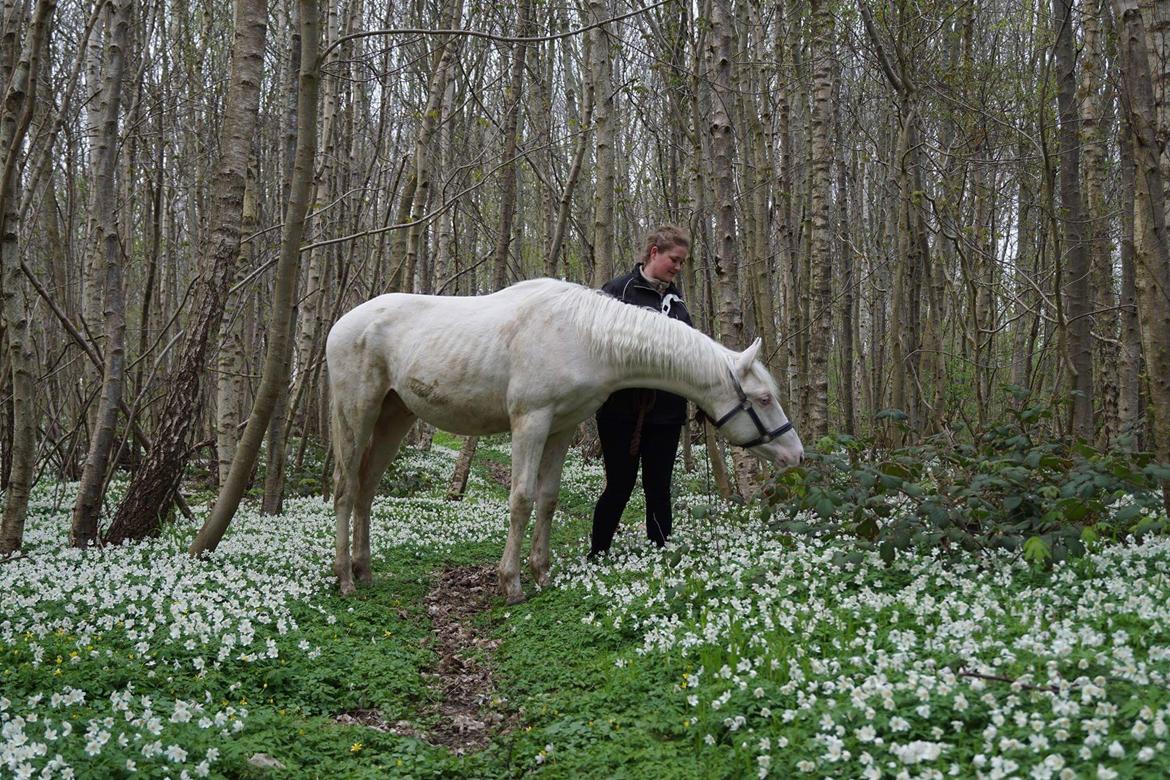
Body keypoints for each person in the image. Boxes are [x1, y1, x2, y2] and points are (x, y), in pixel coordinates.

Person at [590, 225, 693, 556]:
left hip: (666, 413)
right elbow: (596, 344)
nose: (677, 268)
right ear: (654, 253)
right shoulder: (619, 291)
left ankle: (660, 553)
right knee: (619, 486)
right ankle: (598, 553)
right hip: (621, 412)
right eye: (674, 260)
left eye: (681, 263)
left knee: (659, 488)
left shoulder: (676, 303)